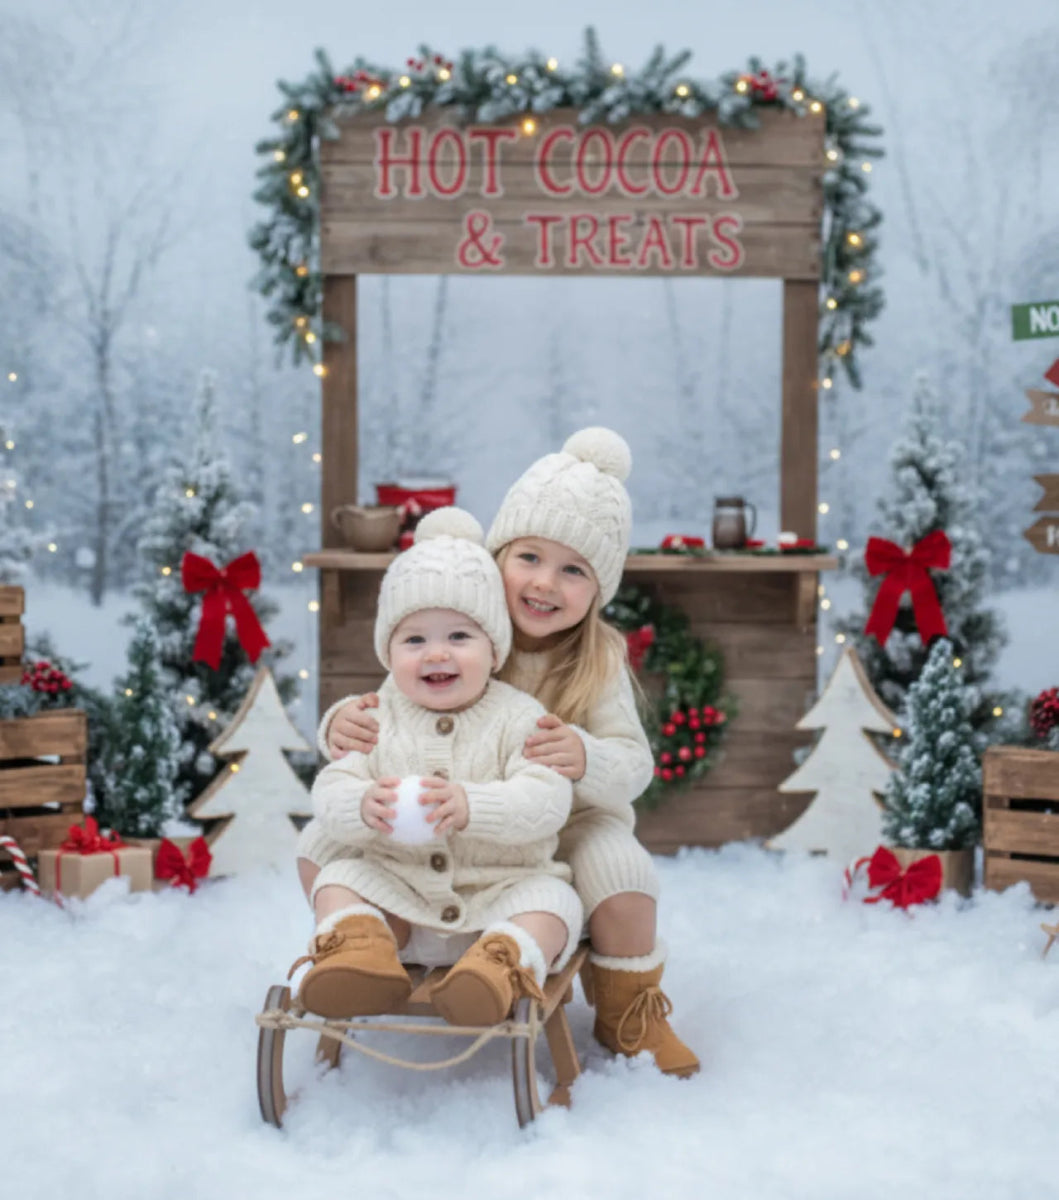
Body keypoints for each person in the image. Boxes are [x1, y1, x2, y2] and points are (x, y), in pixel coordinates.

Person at [298, 428, 699, 1077]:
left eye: (573, 570)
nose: (545, 583)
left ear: (599, 589)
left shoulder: (597, 659)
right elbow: (387, 701)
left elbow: (633, 766)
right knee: (321, 841)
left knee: (620, 871)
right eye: (529, 558)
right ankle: (369, 949)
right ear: (496, 556)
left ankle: (628, 1011)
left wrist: (585, 756)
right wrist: (339, 723)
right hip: (442, 818)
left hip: (566, 823)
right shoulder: (456, 624)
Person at [290, 506, 582, 1028]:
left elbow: (547, 801)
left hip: (496, 901)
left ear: (494, 650)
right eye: (415, 640)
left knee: (555, 901)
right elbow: (332, 786)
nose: (435, 655)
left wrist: (474, 805)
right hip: (400, 902)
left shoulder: (520, 717)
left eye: (459, 637)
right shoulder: (373, 716)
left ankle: (498, 969)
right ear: (389, 651)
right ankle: (360, 952)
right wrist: (361, 804)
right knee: (339, 876)